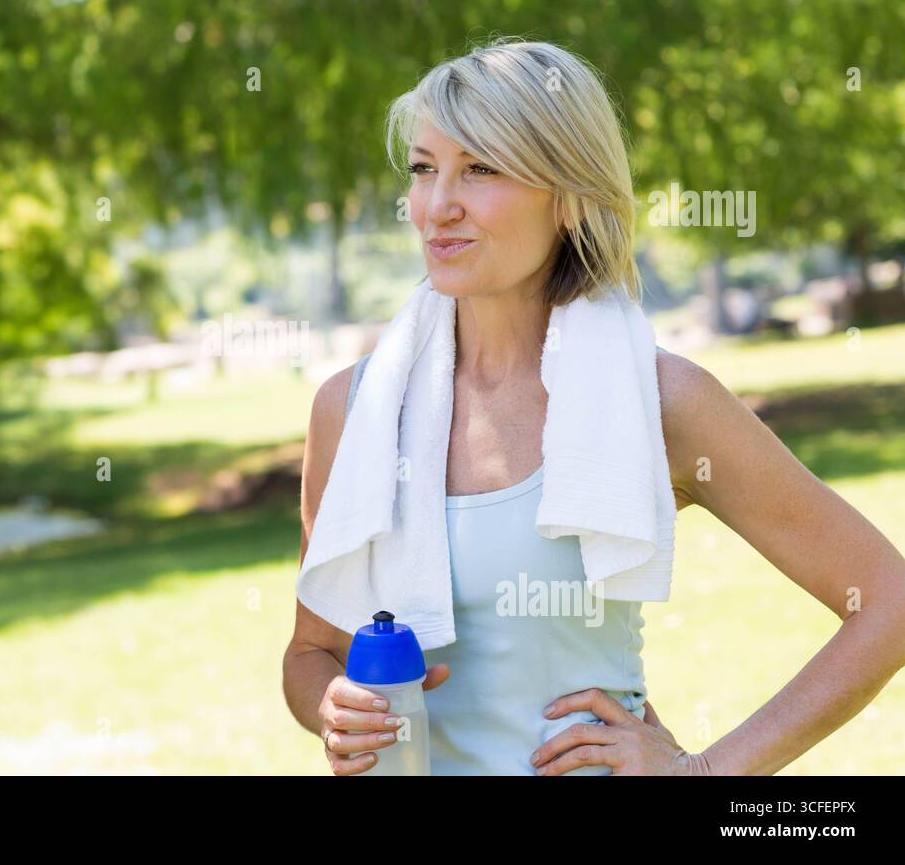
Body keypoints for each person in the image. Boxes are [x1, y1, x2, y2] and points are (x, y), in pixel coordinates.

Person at [282, 38, 905, 775]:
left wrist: (704, 772)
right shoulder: (353, 410)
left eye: (480, 168)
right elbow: (312, 652)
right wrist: (331, 705)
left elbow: (887, 602)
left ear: (571, 196)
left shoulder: (659, 399)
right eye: (424, 170)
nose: (436, 205)